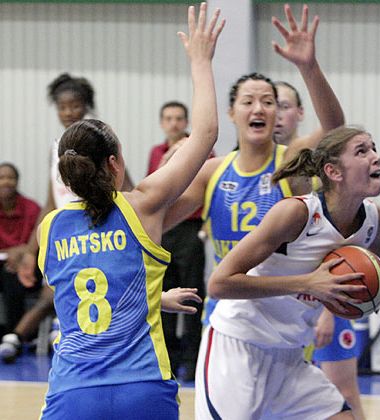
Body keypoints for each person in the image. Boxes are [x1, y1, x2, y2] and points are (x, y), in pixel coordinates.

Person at [37, 4, 224, 419]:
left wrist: (151, 299)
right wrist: (200, 60)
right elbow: (207, 133)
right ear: (116, 164)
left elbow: (91, 296)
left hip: (73, 391)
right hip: (143, 386)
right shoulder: (145, 204)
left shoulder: (49, 229)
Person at [164, 4, 344, 330]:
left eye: (268, 101)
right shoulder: (212, 171)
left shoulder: (290, 161)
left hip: (283, 312)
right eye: (248, 101)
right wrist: (166, 171)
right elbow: (157, 220)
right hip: (229, 311)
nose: (258, 108)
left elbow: (333, 129)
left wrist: (309, 66)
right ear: (232, 113)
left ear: (277, 114)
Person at [199, 125, 380, 419]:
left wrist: (376, 288)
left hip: (290, 354)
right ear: (334, 172)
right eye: (362, 151)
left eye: (374, 148)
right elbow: (220, 284)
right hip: (238, 345)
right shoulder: (295, 214)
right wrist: (308, 283)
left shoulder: (374, 220)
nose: (375, 157)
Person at [0, 73, 135, 363]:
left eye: (74, 106)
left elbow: (129, 186)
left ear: (85, 106)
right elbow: (51, 202)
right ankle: (35, 336)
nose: (68, 112)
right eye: (63, 107)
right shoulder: (56, 147)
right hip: (66, 228)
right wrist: (29, 250)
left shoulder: (100, 138)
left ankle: (19, 335)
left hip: (99, 225)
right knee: (57, 289)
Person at [274, 78, 366, 419]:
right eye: (272, 103)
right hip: (267, 309)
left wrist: (329, 309)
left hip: (317, 299)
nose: (276, 113)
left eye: (284, 106)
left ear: (300, 114)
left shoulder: (302, 169)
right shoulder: (230, 168)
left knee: (342, 394)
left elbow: (338, 248)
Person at [147, 101, 210, 381]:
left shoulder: (201, 152)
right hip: (165, 229)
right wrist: (168, 158)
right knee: (164, 296)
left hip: (192, 229)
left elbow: (210, 189)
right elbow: (153, 188)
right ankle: (168, 362)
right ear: (162, 122)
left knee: (193, 296)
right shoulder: (157, 152)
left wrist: (206, 228)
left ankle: (194, 360)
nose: (173, 123)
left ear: (186, 122)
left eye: (178, 118)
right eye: (168, 118)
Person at [0, 163, 41, 337]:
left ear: (17, 182)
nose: (6, 182)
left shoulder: (32, 208)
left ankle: (14, 334)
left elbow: (40, 241)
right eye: (1, 178)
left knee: (11, 275)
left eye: (10, 178)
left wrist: (21, 253)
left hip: (27, 266)